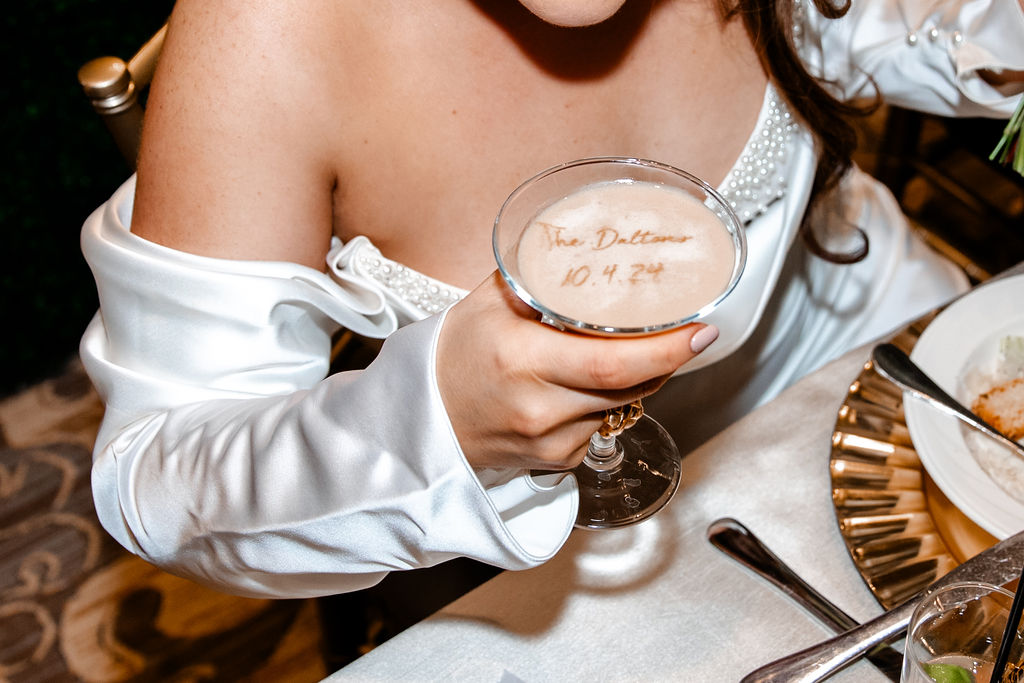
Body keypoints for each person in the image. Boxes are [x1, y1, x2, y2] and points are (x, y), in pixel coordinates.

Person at [81, 0, 1022, 609]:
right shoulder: (269, 29)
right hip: (546, 540)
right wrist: (428, 420)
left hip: (883, 350)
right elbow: (154, 476)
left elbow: (926, 26)